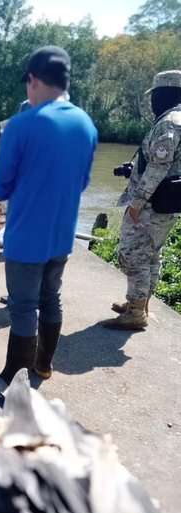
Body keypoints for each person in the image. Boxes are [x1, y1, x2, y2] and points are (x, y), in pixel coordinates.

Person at [0, 46, 98, 384]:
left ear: (33, 80)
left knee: (22, 306)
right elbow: (83, 182)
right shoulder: (86, 124)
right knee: (51, 298)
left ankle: (12, 377)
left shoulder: (22, 125)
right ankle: (43, 366)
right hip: (62, 234)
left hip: (26, 237)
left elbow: (0, 187)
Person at [101, 71, 181, 330]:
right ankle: (140, 305)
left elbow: (160, 166)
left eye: (155, 95)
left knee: (133, 255)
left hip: (151, 204)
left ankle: (135, 312)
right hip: (167, 202)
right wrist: (133, 168)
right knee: (151, 255)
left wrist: (137, 201)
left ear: (165, 94)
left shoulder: (169, 122)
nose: (152, 101)